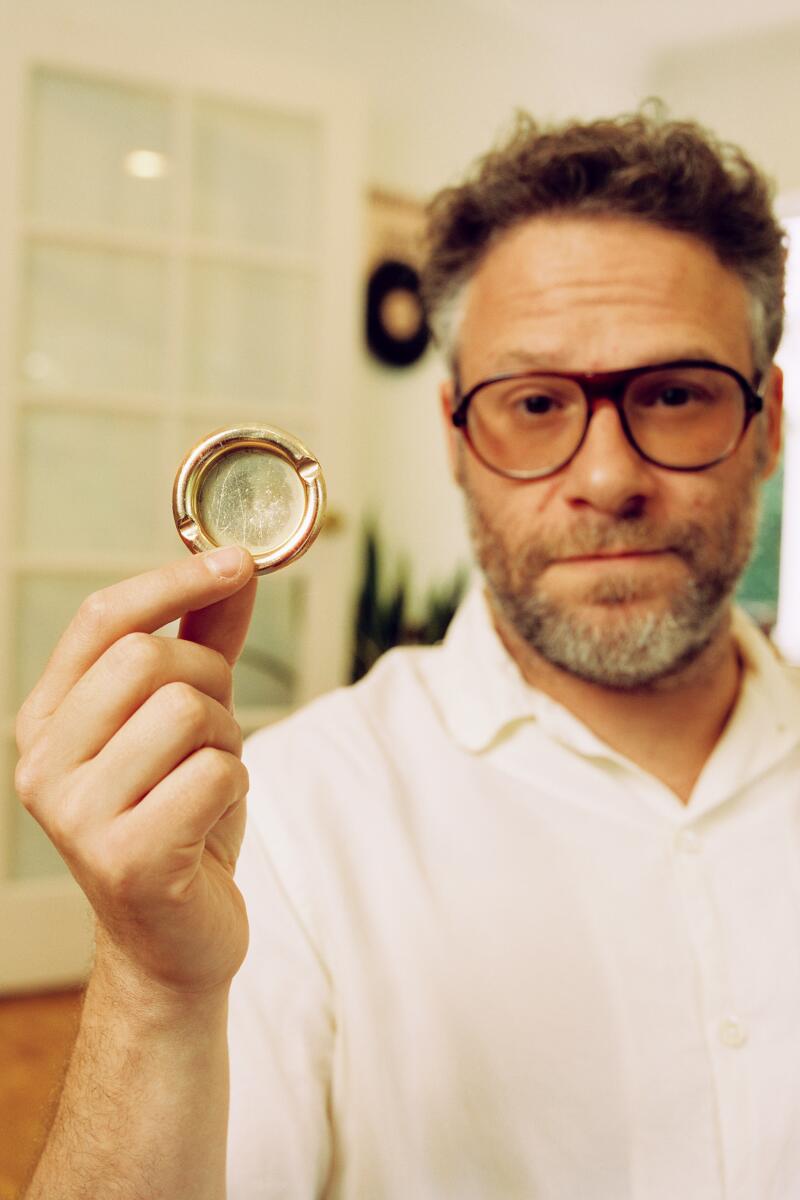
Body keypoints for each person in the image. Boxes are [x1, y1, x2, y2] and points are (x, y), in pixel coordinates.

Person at [15, 106, 799, 1199]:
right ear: (454, 438)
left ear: (766, 430)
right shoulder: (285, 823)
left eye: (672, 395)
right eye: (534, 403)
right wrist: (153, 988)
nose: (608, 475)